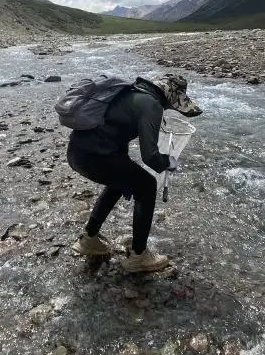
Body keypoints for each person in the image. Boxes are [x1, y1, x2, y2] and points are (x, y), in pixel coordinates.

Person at [66, 73, 202, 273]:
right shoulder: (151, 105)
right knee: (146, 186)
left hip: (77, 153)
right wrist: (169, 163)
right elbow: (150, 156)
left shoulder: (129, 92)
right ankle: (139, 256)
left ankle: (89, 239)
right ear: (169, 97)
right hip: (96, 157)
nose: (168, 109)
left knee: (119, 182)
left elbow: (112, 134)